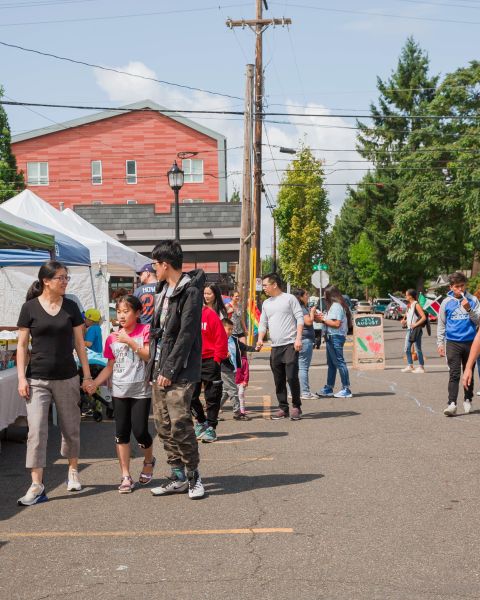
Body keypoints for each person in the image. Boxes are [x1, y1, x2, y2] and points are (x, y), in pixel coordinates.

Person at [16, 261, 92, 506]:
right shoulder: (29, 308)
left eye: (66, 277)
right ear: (46, 281)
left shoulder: (71, 307)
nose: (65, 281)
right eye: (61, 277)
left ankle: (72, 471)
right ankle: (37, 484)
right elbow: (21, 346)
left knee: (70, 429)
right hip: (36, 377)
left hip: (67, 376)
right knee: (36, 430)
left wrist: (88, 375)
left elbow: (80, 344)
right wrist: (20, 377)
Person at [144, 240, 206, 499]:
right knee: (163, 425)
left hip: (179, 370)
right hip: (159, 366)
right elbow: (160, 332)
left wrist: (169, 370)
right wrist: (154, 369)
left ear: (165, 264)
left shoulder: (190, 291)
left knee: (180, 424)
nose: (153, 269)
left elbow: (186, 335)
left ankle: (193, 476)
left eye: (155, 264)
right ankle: (177, 475)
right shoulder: (162, 290)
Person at [84, 295, 154, 493]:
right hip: (119, 390)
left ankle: (148, 461)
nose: (121, 316)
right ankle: (125, 476)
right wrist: (94, 383)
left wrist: (130, 341)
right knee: (121, 434)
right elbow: (110, 366)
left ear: (138, 313)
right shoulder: (111, 338)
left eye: (126, 311)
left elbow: (148, 356)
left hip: (141, 390)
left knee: (140, 432)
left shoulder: (145, 331)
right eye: (119, 312)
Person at [256, 273, 304, 420]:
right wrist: (259, 339)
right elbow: (263, 323)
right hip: (275, 347)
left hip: (290, 344)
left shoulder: (289, 299)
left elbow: (299, 318)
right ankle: (283, 407)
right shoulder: (266, 303)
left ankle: (296, 406)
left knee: (291, 376)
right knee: (279, 379)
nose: (263, 288)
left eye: (265, 285)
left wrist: (298, 339)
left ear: (274, 284)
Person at [437, 271, 480, 416]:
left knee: (468, 373)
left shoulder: (473, 299)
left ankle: (468, 399)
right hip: (452, 342)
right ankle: (452, 403)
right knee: (454, 373)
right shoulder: (446, 302)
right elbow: (441, 324)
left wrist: (468, 309)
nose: (460, 289)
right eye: (456, 287)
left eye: (462, 286)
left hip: (470, 342)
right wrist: (440, 343)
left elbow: (478, 322)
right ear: (451, 287)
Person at [190, 304, 229, 442]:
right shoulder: (186, 313)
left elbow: (221, 337)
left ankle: (211, 427)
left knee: (212, 396)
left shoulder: (210, 314)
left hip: (210, 360)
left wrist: (217, 359)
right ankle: (201, 422)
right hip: (191, 361)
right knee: (190, 396)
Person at [316, 285, 353, 399]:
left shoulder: (336, 306)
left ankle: (346, 388)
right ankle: (329, 387)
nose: (323, 296)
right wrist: (323, 318)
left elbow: (336, 324)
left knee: (339, 363)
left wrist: (322, 319)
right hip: (332, 336)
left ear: (331, 295)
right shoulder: (335, 306)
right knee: (332, 364)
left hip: (335, 336)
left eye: (325, 294)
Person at [220, 317, 257, 420]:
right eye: (229, 329)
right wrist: (223, 355)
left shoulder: (234, 340)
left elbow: (244, 347)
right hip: (224, 369)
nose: (231, 331)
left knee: (225, 392)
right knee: (233, 390)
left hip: (233, 369)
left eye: (232, 329)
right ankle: (237, 413)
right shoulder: (219, 340)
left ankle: (213, 411)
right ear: (222, 329)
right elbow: (215, 353)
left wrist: (255, 348)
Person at [293, 289, 317, 399]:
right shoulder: (301, 308)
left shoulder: (295, 307)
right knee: (303, 367)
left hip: (298, 339)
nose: (308, 296)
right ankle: (305, 392)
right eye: (306, 294)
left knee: (295, 367)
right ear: (301, 297)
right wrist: (312, 312)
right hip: (304, 339)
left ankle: (292, 391)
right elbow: (308, 322)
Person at [400, 289, 427, 374]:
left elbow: (423, 317)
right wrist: (404, 321)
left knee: (417, 348)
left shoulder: (416, 305)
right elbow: (408, 317)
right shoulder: (409, 306)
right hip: (409, 329)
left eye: (406, 295)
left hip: (416, 330)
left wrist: (415, 324)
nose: (405, 296)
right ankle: (410, 365)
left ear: (410, 296)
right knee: (407, 348)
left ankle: (421, 367)